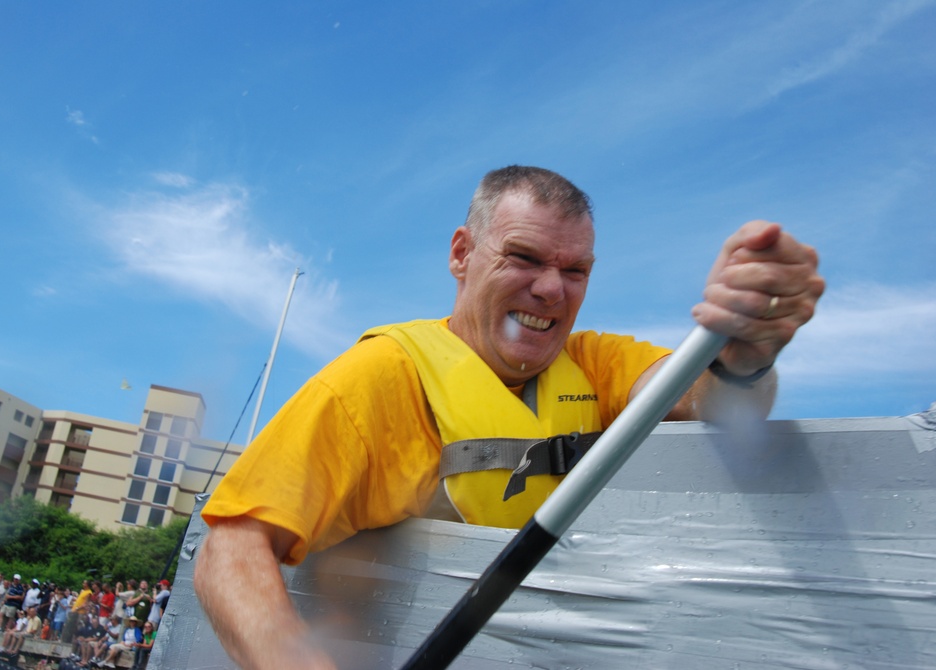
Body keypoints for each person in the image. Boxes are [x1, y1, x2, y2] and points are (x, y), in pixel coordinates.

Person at [194, 165, 825, 669]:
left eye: (575, 271)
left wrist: (742, 352)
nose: (553, 289)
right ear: (462, 253)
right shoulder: (379, 379)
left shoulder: (594, 362)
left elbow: (708, 398)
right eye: (524, 258)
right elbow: (230, 549)